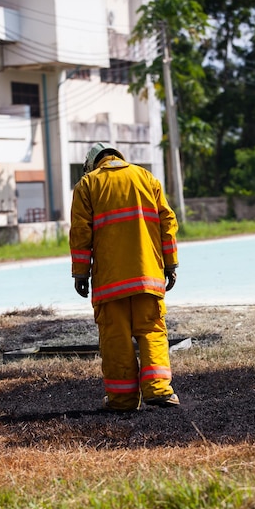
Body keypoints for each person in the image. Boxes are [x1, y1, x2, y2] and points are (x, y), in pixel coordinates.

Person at [69, 142, 179, 412]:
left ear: (94, 163)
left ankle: (122, 400)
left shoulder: (88, 185)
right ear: (118, 157)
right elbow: (167, 223)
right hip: (147, 278)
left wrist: (80, 273)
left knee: (115, 339)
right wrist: (171, 264)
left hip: (110, 283)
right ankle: (159, 390)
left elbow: (80, 233)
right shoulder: (145, 178)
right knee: (152, 330)